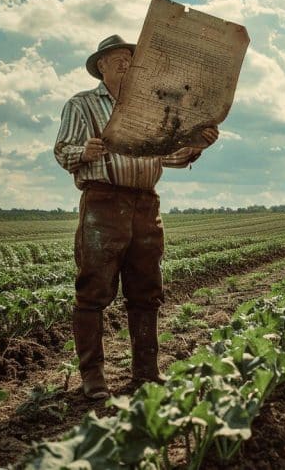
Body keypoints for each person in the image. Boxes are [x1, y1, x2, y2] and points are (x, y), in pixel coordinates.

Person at [54, 34, 219, 399]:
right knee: (93, 291)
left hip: (146, 204)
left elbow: (168, 156)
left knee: (147, 290)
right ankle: (93, 377)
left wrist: (195, 145)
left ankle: (146, 371)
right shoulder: (81, 105)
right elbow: (62, 150)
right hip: (104, 203)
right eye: (119, 61)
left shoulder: (150, 108)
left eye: (132, 60)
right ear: (102, 67)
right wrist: (85, 151)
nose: (128, 66)